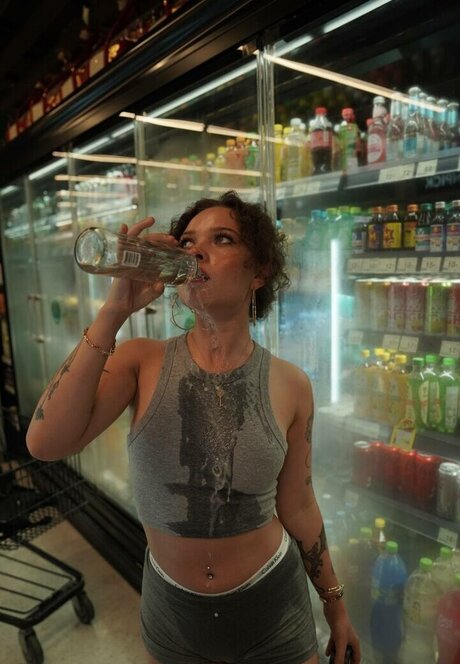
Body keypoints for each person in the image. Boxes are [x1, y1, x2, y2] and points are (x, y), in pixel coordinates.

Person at [26, 191, 360, 664]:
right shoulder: (140, 362)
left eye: (221, 239)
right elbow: (44, 442)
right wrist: (113, 311)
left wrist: (335, 606)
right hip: (172, 616)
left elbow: (299, 505)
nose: (196, 251)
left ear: (259, 272)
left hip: (273, 609)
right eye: (187, 241)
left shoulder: (291, 384)